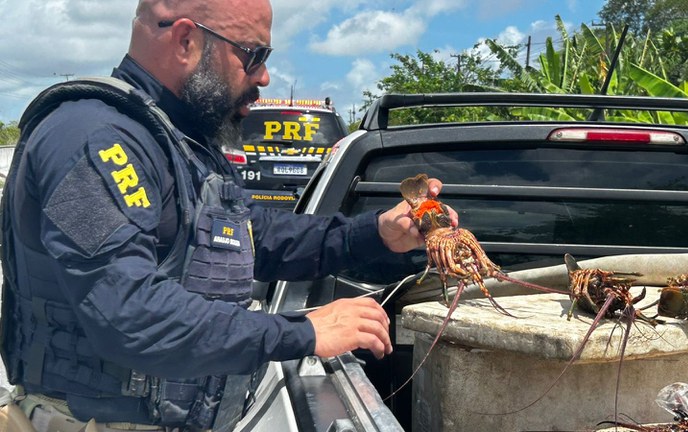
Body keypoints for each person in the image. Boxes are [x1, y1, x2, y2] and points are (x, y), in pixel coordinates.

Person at [0, 0, 456, 430]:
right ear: (185, 41)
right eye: (253, 55)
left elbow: (260, 239)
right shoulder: (93, 137)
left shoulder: (183, 142)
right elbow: (129, 313)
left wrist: (378, 232)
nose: (265, 76)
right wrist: (301, 331)